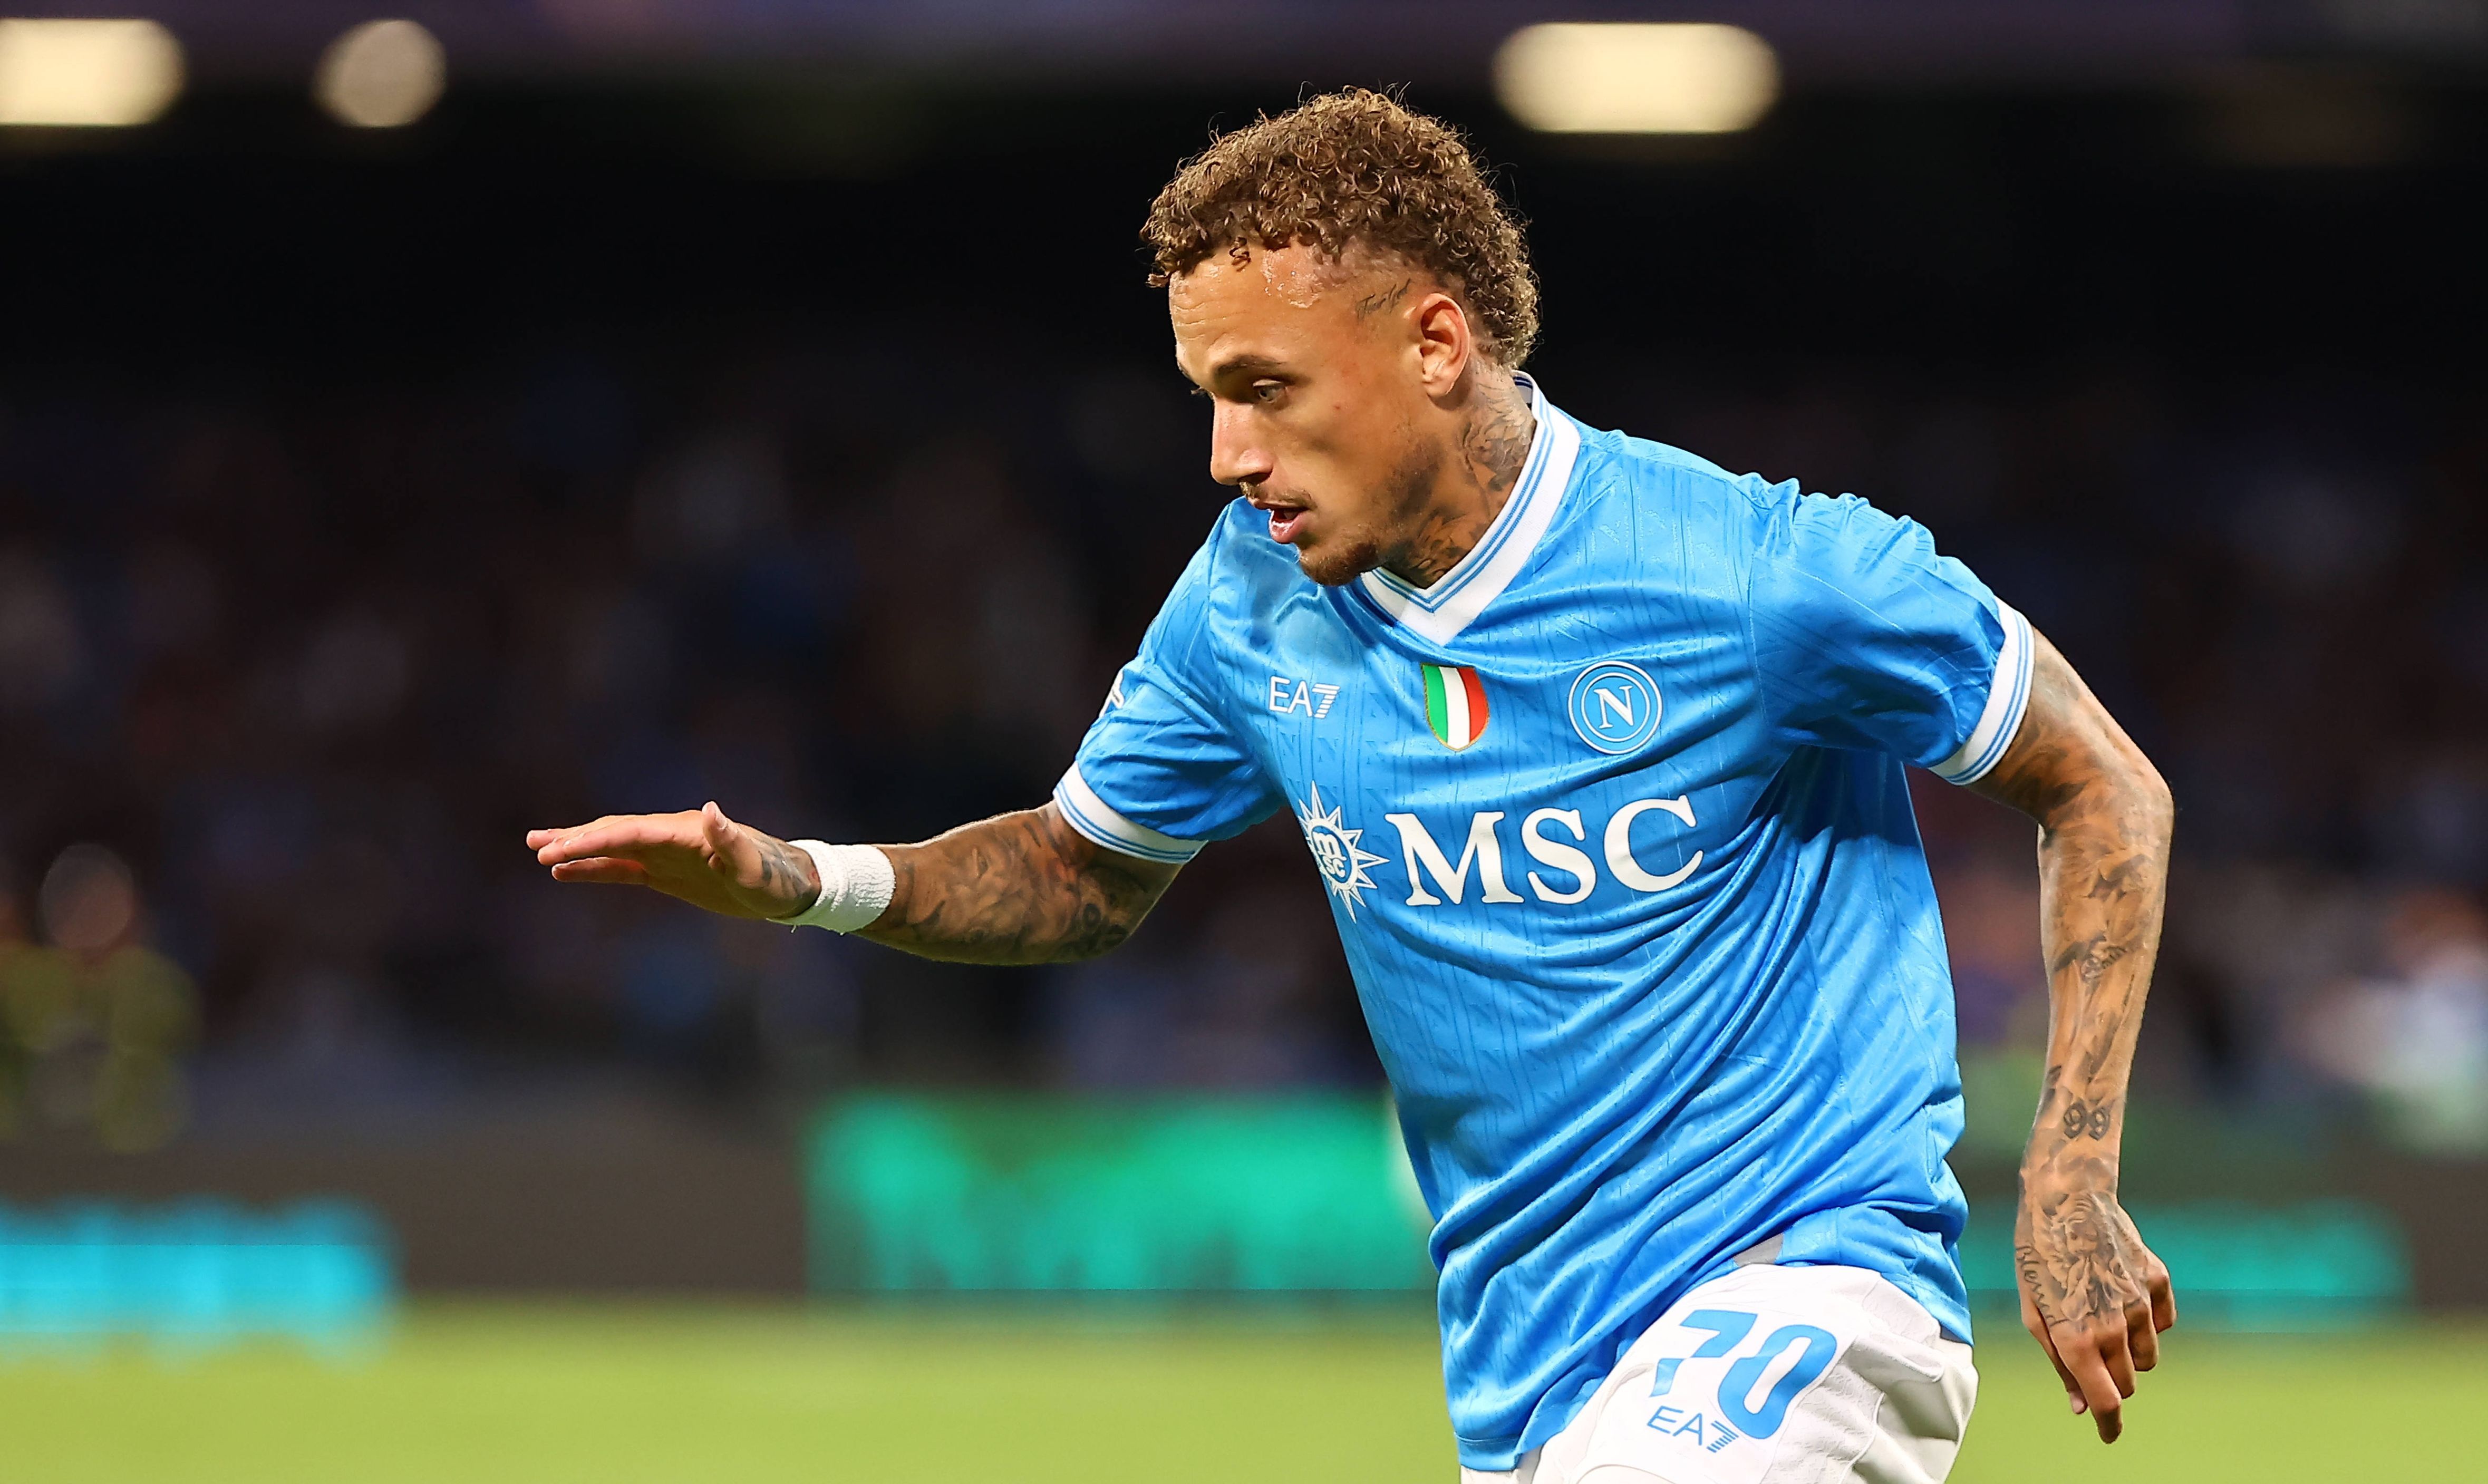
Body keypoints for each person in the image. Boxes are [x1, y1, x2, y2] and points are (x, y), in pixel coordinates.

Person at [529, 90, 2176, 1483]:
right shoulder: (1248, 603)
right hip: (1528, 1360)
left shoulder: (1760, 576)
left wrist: (2070, 1174)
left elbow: (2102, 787)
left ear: (1434, 342)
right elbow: (1080, 874)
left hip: (1806, 1289)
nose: (1226, 456)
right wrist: (804, 881)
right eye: (1208, 398)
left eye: (1264, 390)